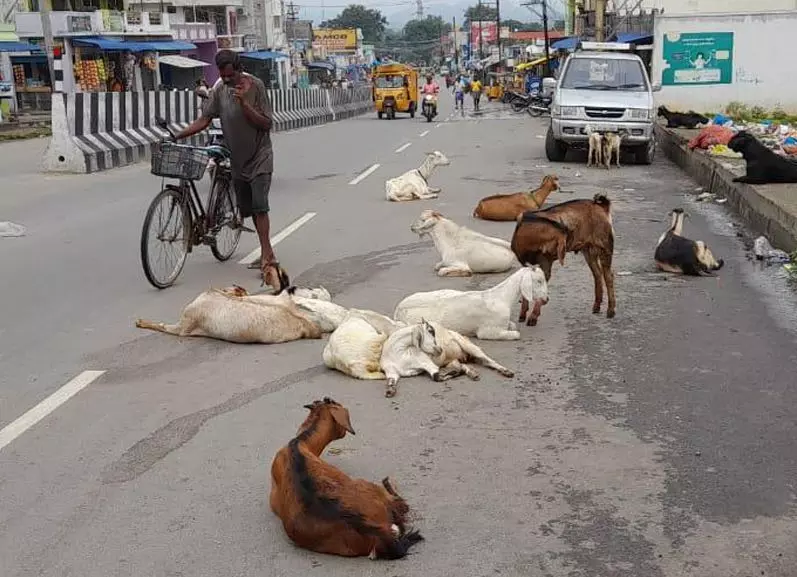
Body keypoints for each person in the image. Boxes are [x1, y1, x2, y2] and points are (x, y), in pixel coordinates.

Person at [172, 50, 286, 292]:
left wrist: (244, 103)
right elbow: (205, 119)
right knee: (247, 209)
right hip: (237, 159)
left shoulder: (256, 86)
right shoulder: (220, 91)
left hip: (260, 156)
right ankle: (265, 249)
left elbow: (266, 123)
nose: (226, 80)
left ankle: (267, 254)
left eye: (229, 75)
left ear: (239, 69)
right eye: (222, 76)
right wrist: (178, 135)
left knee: (260, 206)